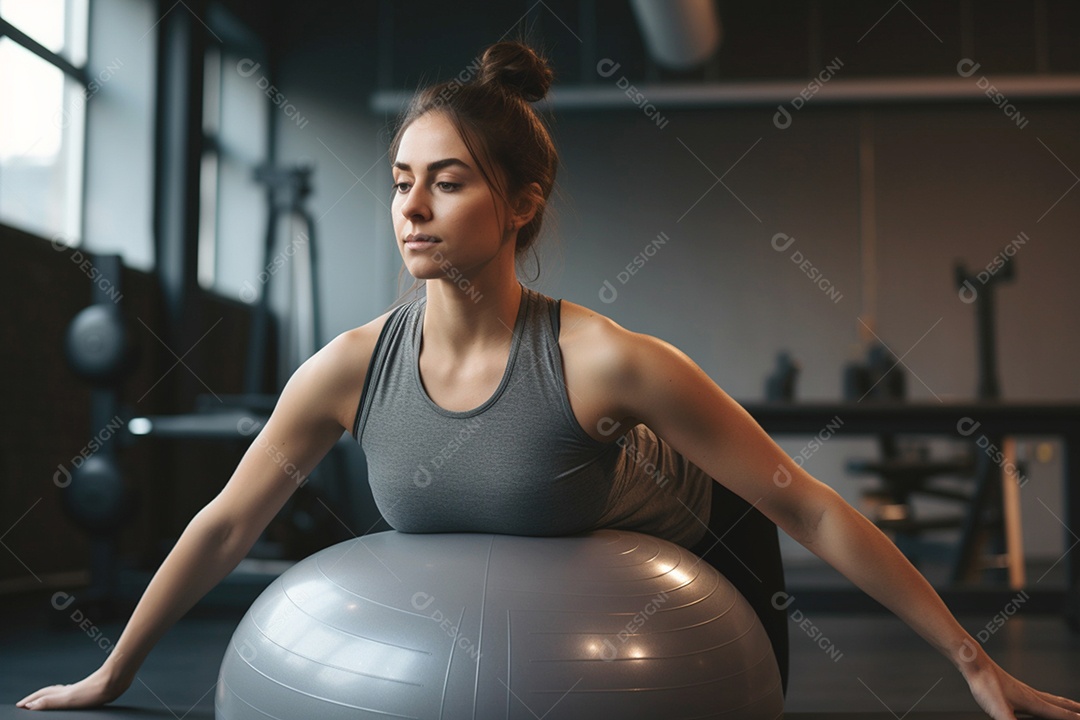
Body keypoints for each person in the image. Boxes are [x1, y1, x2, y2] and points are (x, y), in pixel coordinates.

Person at [17, 40, 1080, 719]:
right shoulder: (350, 368)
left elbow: (803, 503)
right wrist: (115, 673)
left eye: (448, 182)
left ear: (520, 204)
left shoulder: (602, 360)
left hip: (698, 575)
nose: (412, 210)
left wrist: (971, 660)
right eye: (399, 183)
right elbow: (223, 524)